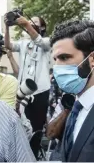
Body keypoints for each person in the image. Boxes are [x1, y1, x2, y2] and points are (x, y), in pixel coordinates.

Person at [50, 19, 94, 162]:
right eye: (55, 59)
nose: (57, 67)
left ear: (92, 59)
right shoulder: (75, 108)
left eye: (64, 58)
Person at [4, 15, 51, 132]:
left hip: (40, 91)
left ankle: (36, 148)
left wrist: (26, 24)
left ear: (43, 27)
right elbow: (8, 45)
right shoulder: (23, 43)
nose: (30, 23)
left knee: (36, 127)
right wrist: (7, 27)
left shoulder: (47, 41)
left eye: (34, 22)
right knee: (21, 123)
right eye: (30, 21)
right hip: (23, 90)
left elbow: (39, 41)